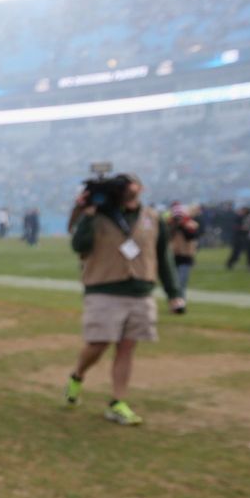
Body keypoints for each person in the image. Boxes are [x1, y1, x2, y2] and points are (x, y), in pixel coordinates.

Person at [64, 176, 183, 426]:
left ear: (142, 188)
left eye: (132, 183)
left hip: (140, 291)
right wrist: (86, 213)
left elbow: (164, 256)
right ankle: (78, 374)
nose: (129, 188)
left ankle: (118, 402)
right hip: (103, 288)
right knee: (99, 343)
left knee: (127, 347)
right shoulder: (98, 215)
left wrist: (174, 294)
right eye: (123, 185)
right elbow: (78, 244)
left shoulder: (152, 217)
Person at [167, 203, 201, 312]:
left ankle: (180, 304)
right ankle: (173, 303)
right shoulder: (170, 225)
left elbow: (191, 236)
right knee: (173, 282)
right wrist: (174, 225)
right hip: (172, 257)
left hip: (186, 257)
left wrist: (182, 225)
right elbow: (167, 236)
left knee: (181, 282)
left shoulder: (191, 225)